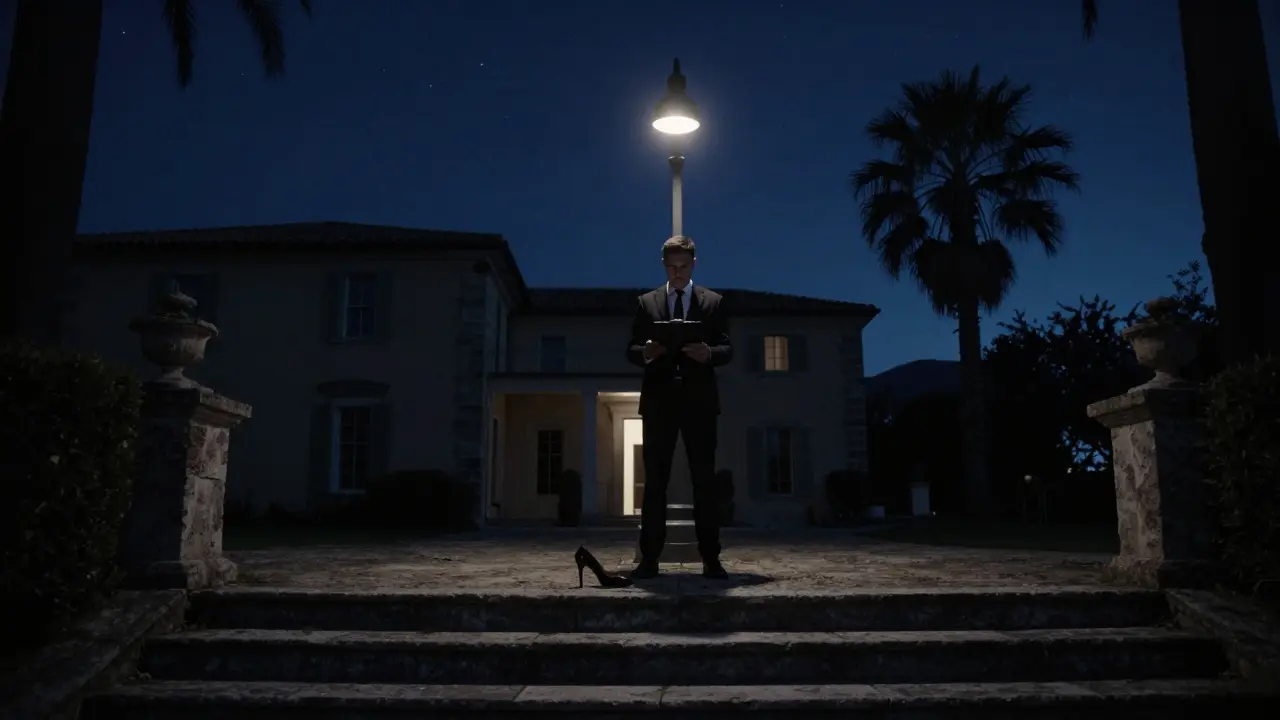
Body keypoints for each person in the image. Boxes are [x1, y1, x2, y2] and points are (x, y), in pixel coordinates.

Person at [625, 235, 733, 579]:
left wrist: (709, 354)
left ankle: (711, 558)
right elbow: (629, 348)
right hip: (658, 402)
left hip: (700, 403)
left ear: (694, 264)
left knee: (705, 482)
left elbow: (728, 348)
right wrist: (646, 352)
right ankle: (650, 559)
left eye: (683, 266)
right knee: (655, 483)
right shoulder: (646, 303)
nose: (677, 272)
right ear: (663, 264)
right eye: (671, 266)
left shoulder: (714, 302)